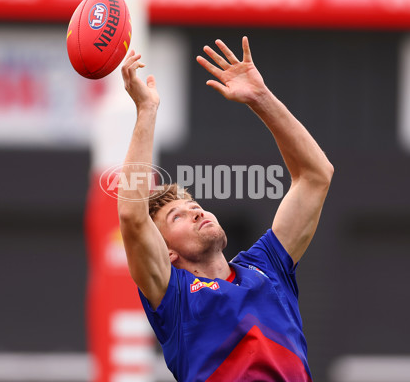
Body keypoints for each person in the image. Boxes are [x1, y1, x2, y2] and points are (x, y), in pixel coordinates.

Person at [117, 36, 333, 382]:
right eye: (178, 216)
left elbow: (315, 176)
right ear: (167, 252)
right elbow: (132, 216)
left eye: (195, 206)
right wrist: (146, 111)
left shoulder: (268, 268)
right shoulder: (175, 298)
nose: (197, 213)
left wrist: (261, 98)